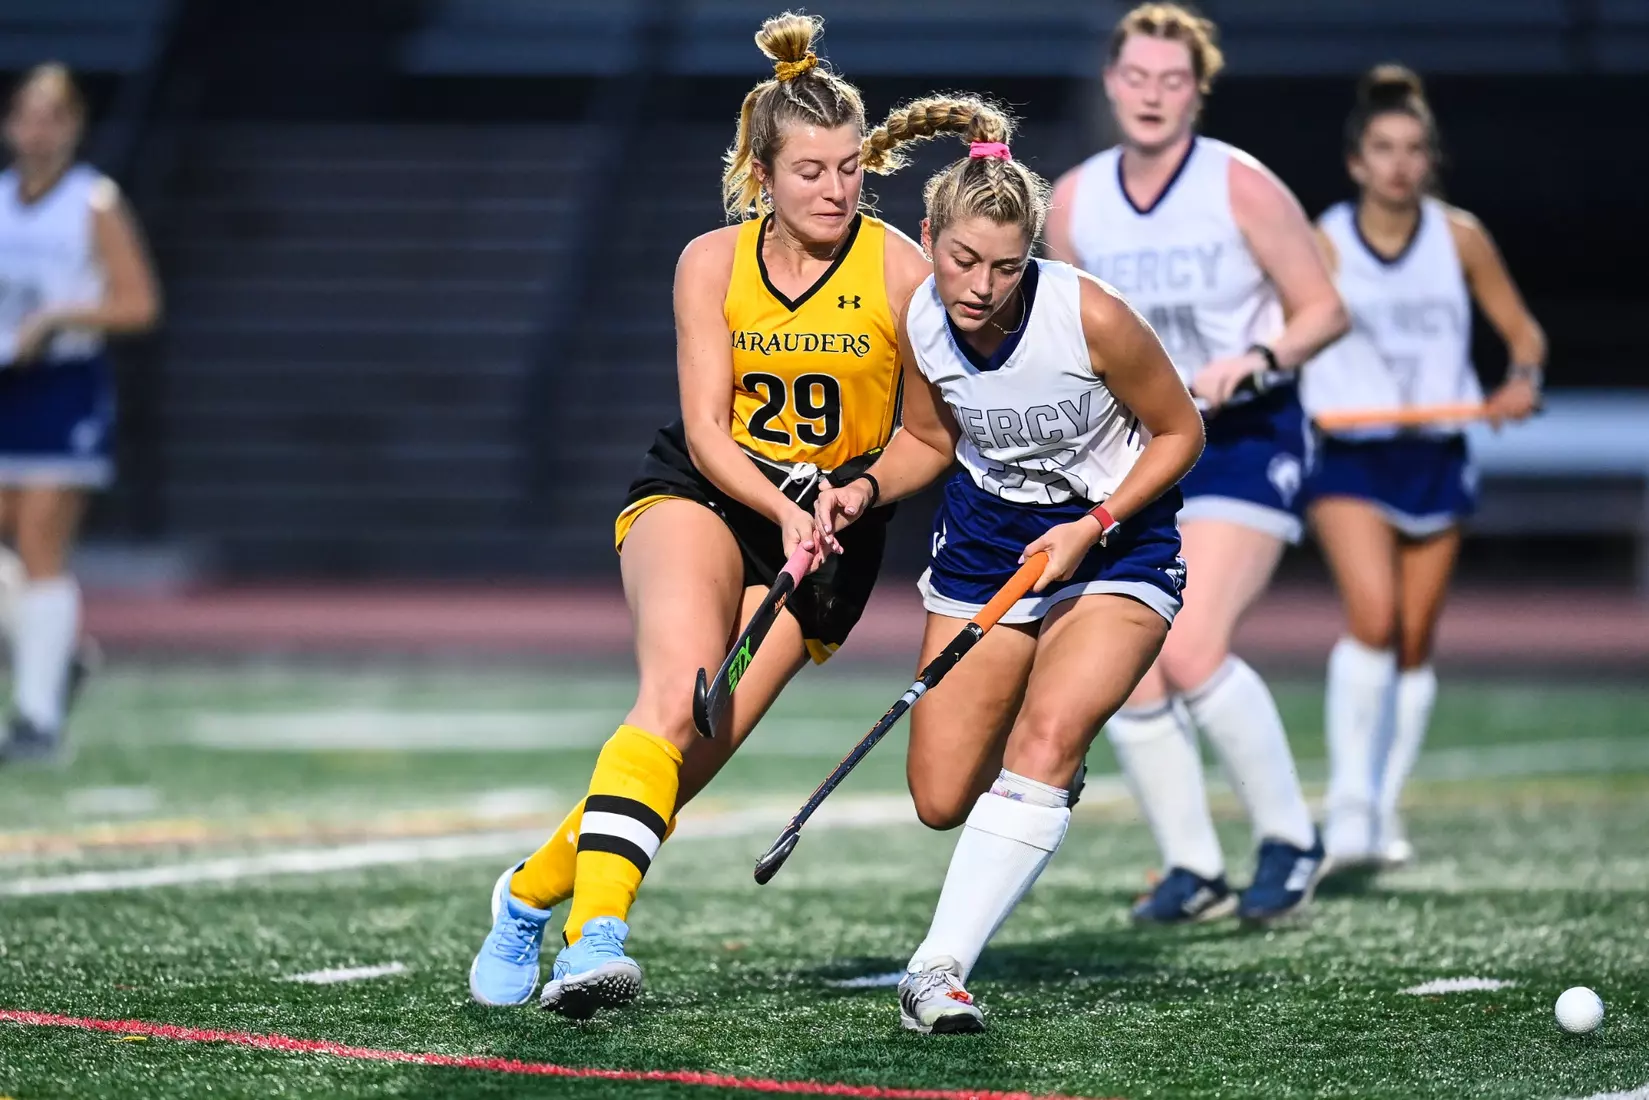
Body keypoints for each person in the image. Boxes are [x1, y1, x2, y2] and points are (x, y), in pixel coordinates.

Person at [467, 11, 932, 1017]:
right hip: (709, 493)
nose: (836, 189)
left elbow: (927, 441)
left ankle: (523, 895)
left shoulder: (902, 269)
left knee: (682, 763)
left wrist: (850, 493)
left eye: (850, 167)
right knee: (674, 696)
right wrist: (784, 500)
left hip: (832, 540)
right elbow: (710, 431)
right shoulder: (708, 262)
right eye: (811, 171)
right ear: (762, 175)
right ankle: (597, 939)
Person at [813, 96, 1203, 1034]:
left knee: (1043, 740)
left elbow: (1180, 430)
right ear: (928, 236)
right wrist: (860, 488)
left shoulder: (1090, 316)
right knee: (941, 796)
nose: (980, 286)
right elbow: (924, 439)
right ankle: (1042, 781)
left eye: (1003, 265)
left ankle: (935, 970)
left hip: (1114, 541)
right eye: (961, 260)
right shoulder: (922, 318)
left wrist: (1095, 520)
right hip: (989, 546)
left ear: (1032, 253)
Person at [1043, 2, 1348, 924]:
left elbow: (1323, 310)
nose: (1150, 94)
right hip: (1140, 448)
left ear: (1196, 91)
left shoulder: (1239, 186)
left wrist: (1258, 360)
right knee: (1125, 657)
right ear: (1110, 83)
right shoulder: (1073, 200)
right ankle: (1191, 866)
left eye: (1170, 80)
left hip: (1247, 437)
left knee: (1192, 641)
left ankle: (1292, 839)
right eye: (1135, 77)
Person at [1304, 65, 1544, 869]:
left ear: (1428, 160)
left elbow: (1524, 337)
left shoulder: (1460, 237)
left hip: (1435, 453)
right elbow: (1287, 325)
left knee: (1412, 641)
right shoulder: (1324, 239)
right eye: (1383, 148)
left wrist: (1519, 383)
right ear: (1356, 162)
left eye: (1412, 149)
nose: (1398, 163)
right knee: (1372, 620)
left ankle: (1379, 809)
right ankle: (1343, 809)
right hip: (1348, 455)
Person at [0, 64, 160, 763]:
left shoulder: (93, 204)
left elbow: (138, 303)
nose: (38, 130)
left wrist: (59, 318)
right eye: (27, 115)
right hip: (6, 383)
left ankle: (37, 720)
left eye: (52, 117)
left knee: (40, 538)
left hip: (63, 384)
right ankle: (57, 655)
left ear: (73, 127)